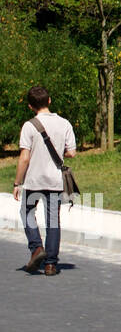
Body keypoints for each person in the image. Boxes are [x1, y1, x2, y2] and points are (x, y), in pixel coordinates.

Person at [14, 85, 77, 276]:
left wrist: (17, 183)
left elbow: (24, 157)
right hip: (55, 181)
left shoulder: (29, 126)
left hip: (34, 180)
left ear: (30, 106)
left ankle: (36, 248)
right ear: (49, 101)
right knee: (53, 221)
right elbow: (72, 153)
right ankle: (50, 265)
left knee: (26, 213)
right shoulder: (64, 123)